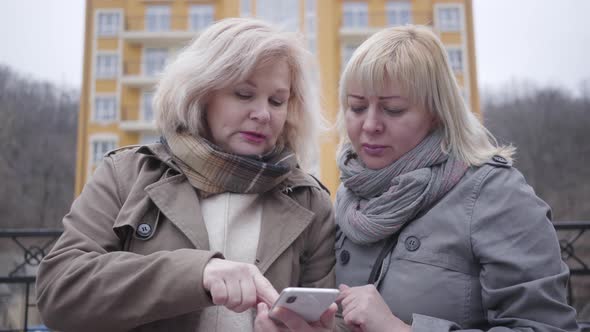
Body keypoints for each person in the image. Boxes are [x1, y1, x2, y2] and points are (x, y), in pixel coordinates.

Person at [36, 18, 336, 332]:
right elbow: (60, 289)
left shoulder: (310, 200)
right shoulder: (125, 173)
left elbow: (328, 321)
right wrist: (199, 273)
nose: (263, 114)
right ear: (201, 93)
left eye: (277, 101)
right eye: (244, 94)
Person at [333, 25, 580, 332]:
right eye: (357, 107)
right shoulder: (348, 196)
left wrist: (398, 329)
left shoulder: (497, 194)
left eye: (392, 109)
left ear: (436, 113)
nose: (369, 124)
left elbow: (544, 326)